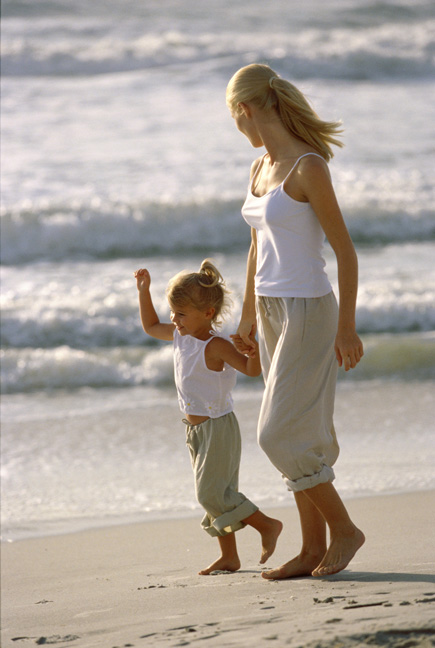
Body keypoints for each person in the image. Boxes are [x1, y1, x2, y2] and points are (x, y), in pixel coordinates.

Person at [226, 63, 365, 579]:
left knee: (277, 433)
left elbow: (346, 253)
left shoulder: (309, 167)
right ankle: (311, 550)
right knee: (298, 432)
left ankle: (345, 530)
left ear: (245, 109)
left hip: (309, 308)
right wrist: (246, 316)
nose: (235, 128)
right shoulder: (260, 167)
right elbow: (256, 245)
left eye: (233, 117)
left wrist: (346, 328)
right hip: (271, 310)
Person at [134, 259, 283, 576]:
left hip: (218, 427)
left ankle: (267, 525)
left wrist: (254, 353)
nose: (174, 320)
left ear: (208, 314)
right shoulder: (180, 336)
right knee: (215, 495)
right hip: (194, 431)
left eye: (181, 314)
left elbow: (251, 371)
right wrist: (144, 291)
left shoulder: (216, 345)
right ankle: (229, 557)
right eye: (173, 313)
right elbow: (149, 326)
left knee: (212, 493)